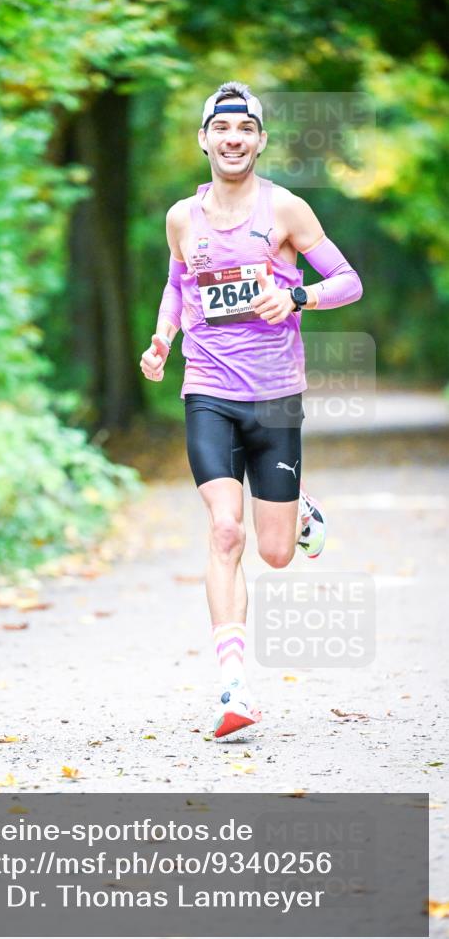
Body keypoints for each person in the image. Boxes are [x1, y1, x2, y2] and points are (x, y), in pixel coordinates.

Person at [140, 81, 363, 740]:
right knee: (224, 532)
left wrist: (297, 300)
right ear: (204, 139)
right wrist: (162, 337)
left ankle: (298, 513)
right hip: (206, 389)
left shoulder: (285, 210)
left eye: (245, 129)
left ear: (259, 141)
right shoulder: (183, 217)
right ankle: (233, 687)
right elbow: (176, 283)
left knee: (272, 553)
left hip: (272, 399)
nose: (232, 138)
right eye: (221, 128)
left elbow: (347, 282)